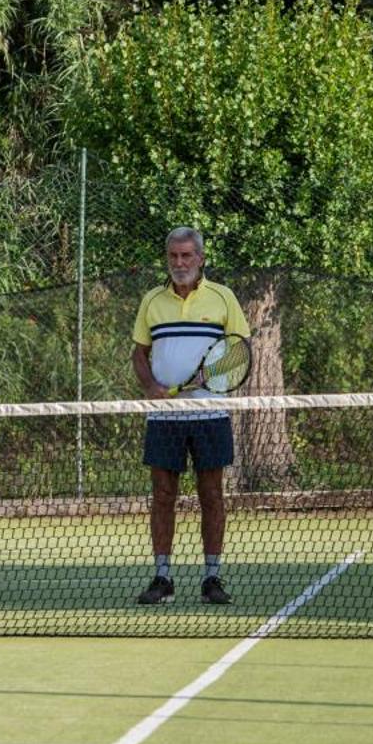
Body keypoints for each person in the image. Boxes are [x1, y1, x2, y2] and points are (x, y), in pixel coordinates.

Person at [129, 226, 250, 606]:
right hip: (164, 417)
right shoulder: (152, 300)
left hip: (210, 414)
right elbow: (138, 353)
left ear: (200, 259)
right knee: (163, 495)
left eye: (186, 256)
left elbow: (240, 349)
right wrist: (150, 387)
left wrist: (210, 376)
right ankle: (162, 577)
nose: (179, 263)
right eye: (173, 256)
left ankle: (212, 577)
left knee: (211, 494)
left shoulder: (223, 298)